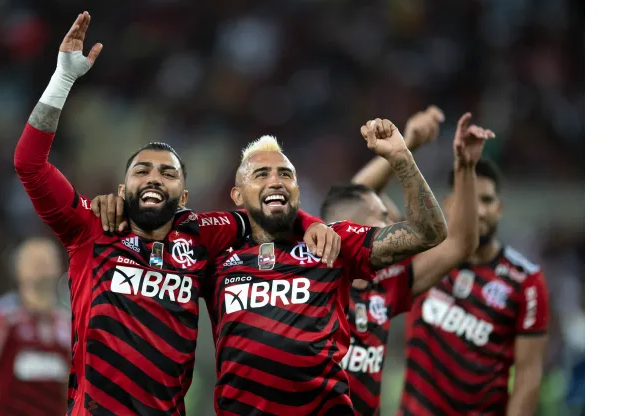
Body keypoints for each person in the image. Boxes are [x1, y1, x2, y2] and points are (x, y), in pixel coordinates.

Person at [13, 12, 335, 416]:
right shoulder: (90, 227)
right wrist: (62, 80)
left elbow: (266, 213)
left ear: (183, 194)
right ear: (121, 189)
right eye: (142, 170)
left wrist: (312, 223)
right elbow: (29, 163)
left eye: (167, 173)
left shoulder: (201, 234)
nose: (153, 178)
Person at [203, 118, 448, 415]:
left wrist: (401, 157)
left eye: (285, 174)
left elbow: (428, 232)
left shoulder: (334, 242)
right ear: (238, 195)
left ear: (297, 190)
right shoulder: (216, 256)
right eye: (261, 174)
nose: (276, 181)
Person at [321, 111, 494, 415]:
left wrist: (465, 167)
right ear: (352, 228)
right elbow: (352, 196)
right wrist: (404, 148)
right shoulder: (309, 278)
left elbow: (460, 244)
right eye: (385, 219)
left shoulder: (387, 283)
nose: (396, 225)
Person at [398, 159, 550, 416]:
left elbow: (528, 376)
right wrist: (403, 152)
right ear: (446, 204)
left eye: (487, 200)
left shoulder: (526, 280)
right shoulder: (422, 257)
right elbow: (357, 202)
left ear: (500, 208)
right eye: (468, 199)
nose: (479, 211)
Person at [0, 238, 71, 416]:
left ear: (58, 267)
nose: (40, 266)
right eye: (33, 261)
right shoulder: (1, 315)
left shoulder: (68, 320)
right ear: (19, 270)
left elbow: (73, 376)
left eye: (45, 260)